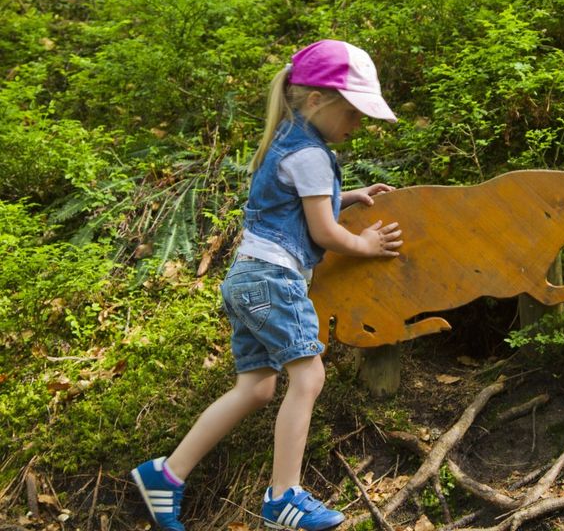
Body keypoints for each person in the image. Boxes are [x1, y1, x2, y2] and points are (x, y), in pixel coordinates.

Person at [131, 40, 403, 531]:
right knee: (310, 377)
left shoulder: (285, 141)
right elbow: (322, 232)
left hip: (246, 279)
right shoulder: (313, 156)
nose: (358, 125)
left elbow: (297, 209)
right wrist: (365, 244)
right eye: (354, 112)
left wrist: (352, 194)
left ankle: (166, 474)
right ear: (319, 100)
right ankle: (283, 497)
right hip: (276, 280)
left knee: (256, 388)